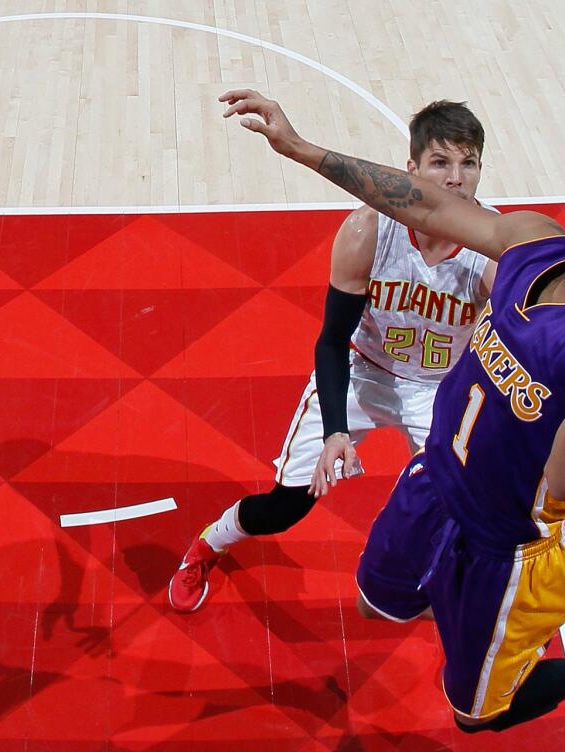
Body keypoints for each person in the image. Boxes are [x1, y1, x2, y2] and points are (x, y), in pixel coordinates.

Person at [218, 88, 565, 732]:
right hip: (433, 487)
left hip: (508, 554)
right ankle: (463, 618)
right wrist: (300, 148)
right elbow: (426, 202)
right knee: (376, 604)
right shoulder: (533, 242)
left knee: (477, 716)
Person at [169, 100, 496, 613]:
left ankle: (448, 590)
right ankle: (208, 544)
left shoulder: (494, 251)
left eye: (468, 163)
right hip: (364, 372)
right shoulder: (370, 230)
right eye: (440, 163)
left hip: (438, 386)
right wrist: (337, 431)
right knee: (285, 507)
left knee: (462, 508)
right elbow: (331, 340)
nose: (455, 179)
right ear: (411, 170)